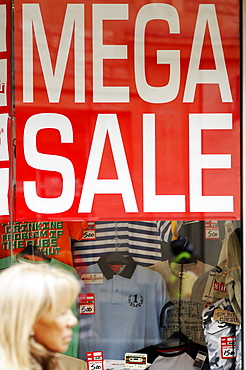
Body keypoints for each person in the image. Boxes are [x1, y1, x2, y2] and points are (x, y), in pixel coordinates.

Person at [0, 263, 80, 370]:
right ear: (29, 320)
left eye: (70, 309)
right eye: (61, 312)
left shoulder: (47, 362)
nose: (72, 321)